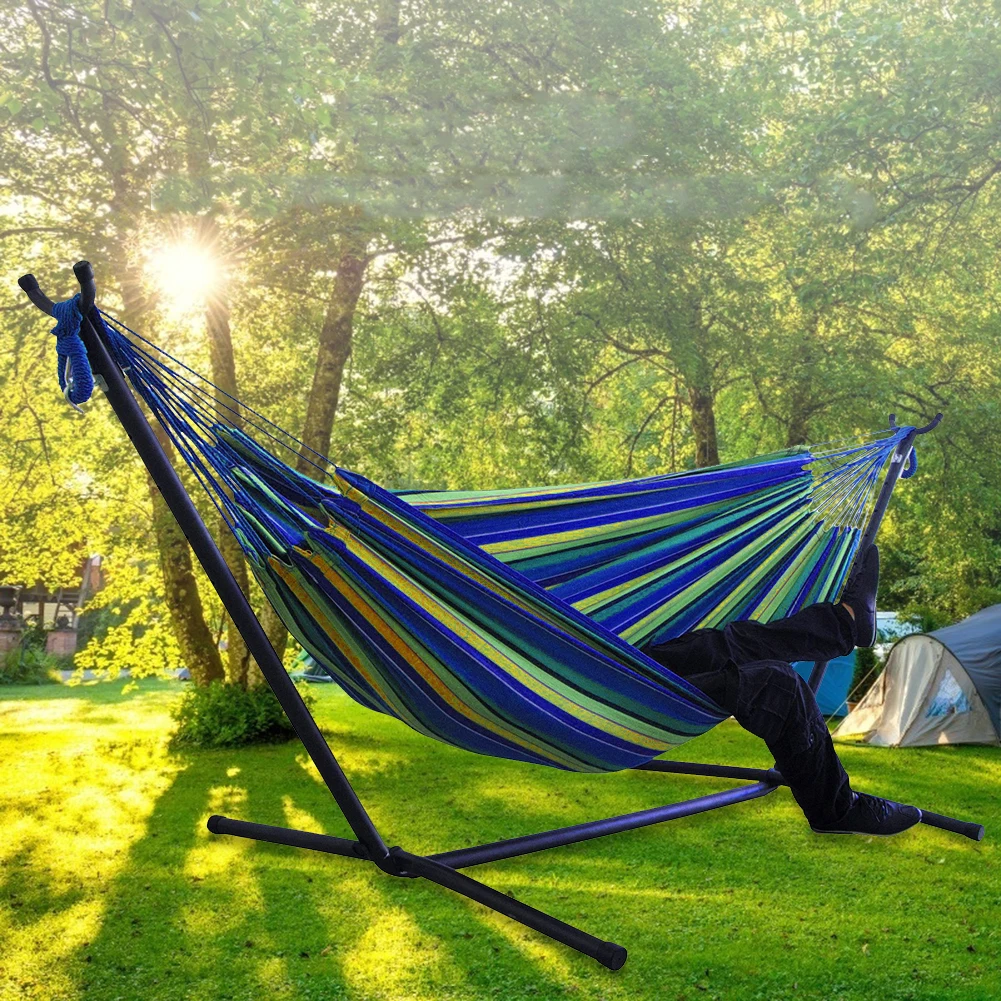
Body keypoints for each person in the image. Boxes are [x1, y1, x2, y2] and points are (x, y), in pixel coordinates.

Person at [642, 546, 922, 837]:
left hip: (617, 669)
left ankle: (847, 623)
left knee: (716, 647)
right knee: (778, 685)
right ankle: (837, 809)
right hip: (608, 703)